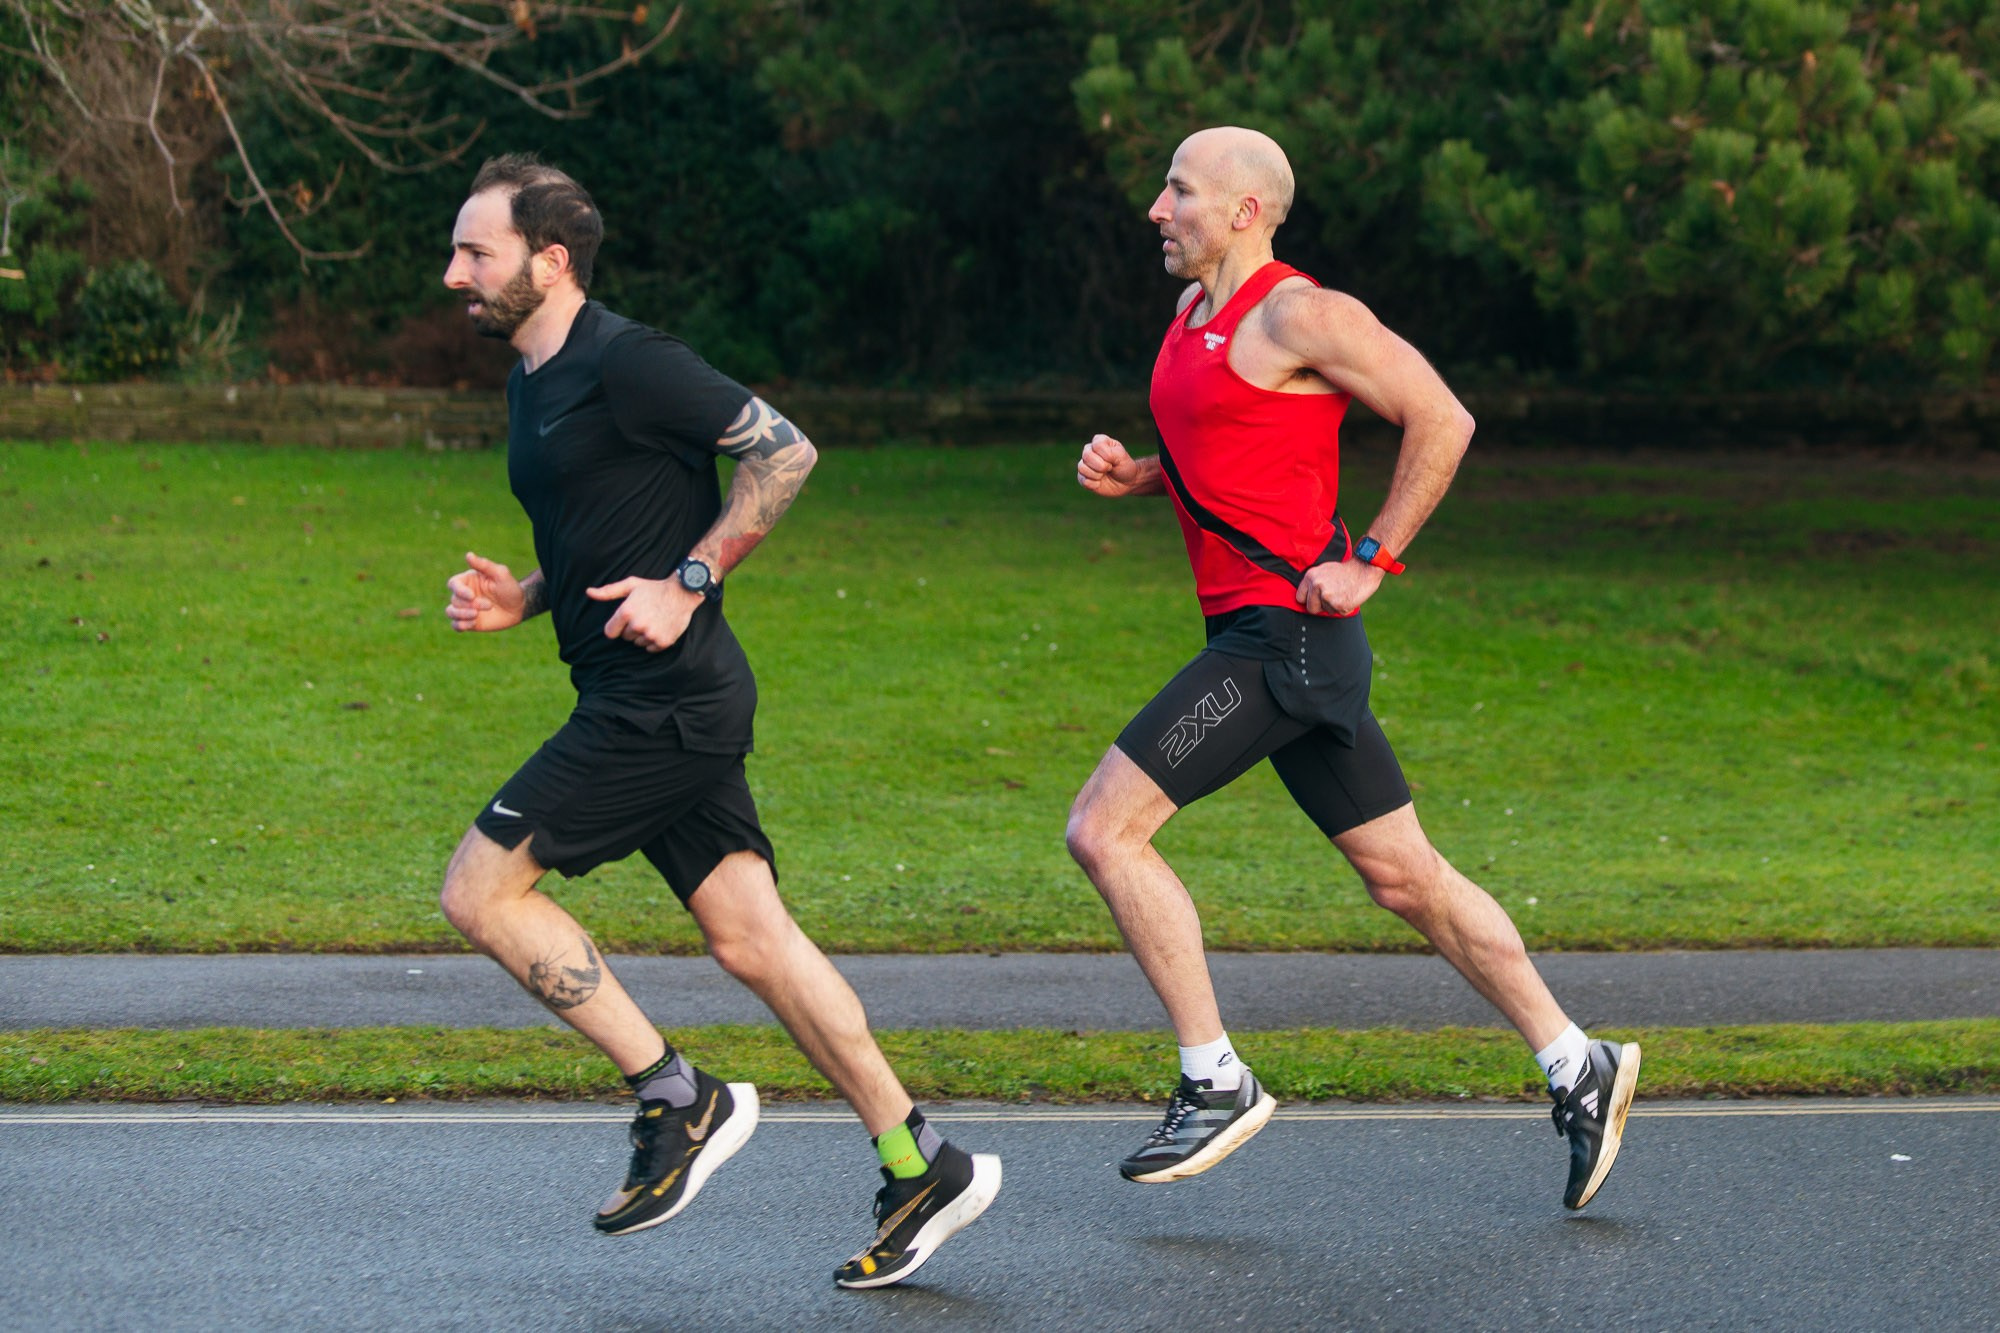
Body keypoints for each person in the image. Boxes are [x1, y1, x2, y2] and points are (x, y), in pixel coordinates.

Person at [437, 153, 1000, 1287]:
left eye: (474, 252)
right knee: (752, 939)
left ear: (549, 263)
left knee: (480, 888)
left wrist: (688, 581)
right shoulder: (531, 381)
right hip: (643, 695)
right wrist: (532, 597)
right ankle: (918, 1158)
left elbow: (783, 449)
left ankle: (675, 1098)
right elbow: (607, 521)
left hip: (666, 701)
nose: (452, 273)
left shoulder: (628, 361)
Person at [1068, 127, 1639, 1209]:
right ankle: (1578, 1060)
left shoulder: (1301, 312)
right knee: (1403, 877)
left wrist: (1372, 559)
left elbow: (1442, 416)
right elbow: (1239, 448)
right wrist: (1146, 475)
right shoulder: (1193, 316)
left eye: (1178, 190)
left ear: (1244, 210)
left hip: (1281, 638)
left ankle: (1214, 1078)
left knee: (1104, 829)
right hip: (1275, 641)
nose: (1155, 207)